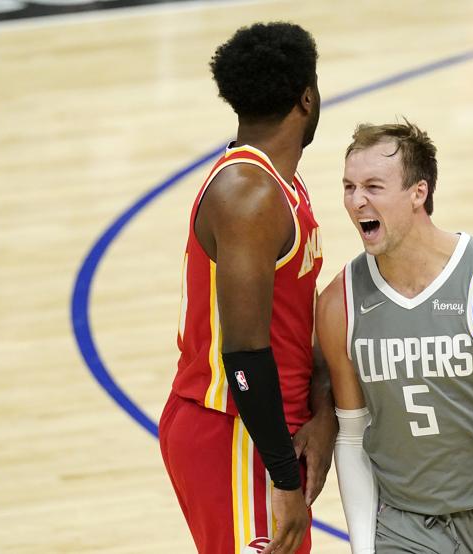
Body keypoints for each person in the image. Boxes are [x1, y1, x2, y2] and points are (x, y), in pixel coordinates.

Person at [316, 121, 473, 553]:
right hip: (405, 525)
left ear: (418, 193)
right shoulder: (341, 303)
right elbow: (352, 436)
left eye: (373, 186)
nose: (357, 201)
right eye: (349, 187)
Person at [159, 22, 335, 554]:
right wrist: (282, 477)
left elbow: (288, 322)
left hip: (264, 427)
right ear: (307, 97)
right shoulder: (248, 196)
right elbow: (243, 353)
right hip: (236, 431)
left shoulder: (280, 182)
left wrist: (323, 408)